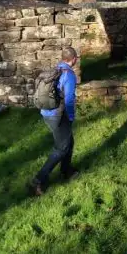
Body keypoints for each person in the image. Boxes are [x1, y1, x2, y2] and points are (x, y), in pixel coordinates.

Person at [29, 47, 80, 195]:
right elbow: (69, 99)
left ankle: (66, 171)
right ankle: (37, 180)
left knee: (68, 142)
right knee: (61, 148)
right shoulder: (69, 75)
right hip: (58, 116)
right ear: (74, 59)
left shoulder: (55, 70)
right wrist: (70, 117)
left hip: (46, 112)